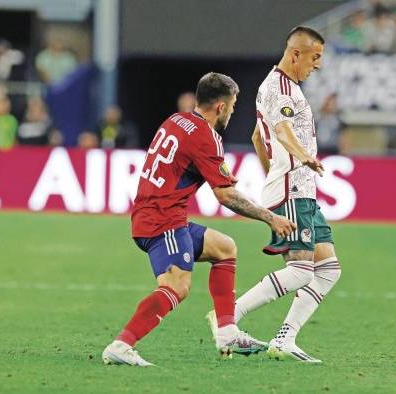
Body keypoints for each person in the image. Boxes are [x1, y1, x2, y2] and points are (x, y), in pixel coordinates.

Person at [102, 72, 296, 367]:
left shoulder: (176, 120)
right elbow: (226, 197)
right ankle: (121, 344)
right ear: (220, 106)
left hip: (154, 213)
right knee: (177, 286)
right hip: (163, 220)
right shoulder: (207, 136)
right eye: (232, 105)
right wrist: (270, 218)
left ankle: (228, 331)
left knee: (224, 247)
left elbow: (184, 164)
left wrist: (217, 174)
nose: (232, 111)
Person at [207, 27, 341, 363]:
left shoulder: (282, 86)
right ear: (296, 54)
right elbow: (280, 132)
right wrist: (302, 157)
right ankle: (228, 317)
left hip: (298, 188)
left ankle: (284, 339)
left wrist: (274, 170)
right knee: (300, 270)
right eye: (315, 57)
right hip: (293, 188)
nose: (318, 65)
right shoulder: (280, 88)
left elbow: (256, 136)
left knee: (328, 268)